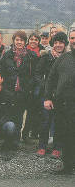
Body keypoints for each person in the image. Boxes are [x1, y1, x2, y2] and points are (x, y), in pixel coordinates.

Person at [44, 30, 75, 175]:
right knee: (67, 135)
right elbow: (51, 79)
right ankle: (68, 166)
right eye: (72, 38)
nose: (74, 40)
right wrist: (48, 97)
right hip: (65, 105)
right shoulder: (63, 59)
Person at [35, 32, 68, 158]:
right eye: (56, 43)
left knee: (59, 121)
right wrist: (45, 85)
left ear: (65, 44)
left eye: (61, 43)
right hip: (47, 93)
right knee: (45, 120)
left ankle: (57, 147)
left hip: (62, 95)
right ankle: (42, 146)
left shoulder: (69, 58)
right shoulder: (46, 57)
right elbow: (38, 74)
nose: (58, 45)